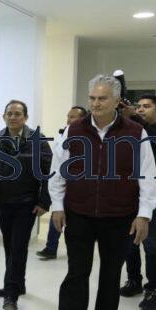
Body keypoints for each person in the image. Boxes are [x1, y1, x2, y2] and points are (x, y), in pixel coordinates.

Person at [46, 74, 156, 310]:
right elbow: (58, 171)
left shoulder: (136, 133)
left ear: (117, 101)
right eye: (92, 98)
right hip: (79, 213)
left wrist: (144, 214)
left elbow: (147, 175)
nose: (95, 104)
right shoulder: (73, 130)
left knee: (111, 272)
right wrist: (57, 205)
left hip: (118, 216)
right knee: (77, 272)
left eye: (102, 98)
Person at [0, 100, 51, 310]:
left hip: (27, 203)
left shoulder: (37, 140)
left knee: (18, 247)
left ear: (25, 117)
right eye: (9, 113)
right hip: (4, 201)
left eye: (17, 114)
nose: (13, 117)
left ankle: (11, 294)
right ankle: (18, 284)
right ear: (4, 116)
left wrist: (44, 201)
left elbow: (48, 173)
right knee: (9, 246)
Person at [119, 95, 156, 310]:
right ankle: (134, 280)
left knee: (151, 243)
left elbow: (153, 143)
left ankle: (153, 289)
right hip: (130, 194)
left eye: (147, 106)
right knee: (130, 242)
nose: (141, 109)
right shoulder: (131, 130)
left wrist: (134, 118)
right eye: (139, 107)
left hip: (155, 196)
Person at [36, 106, 88, 260]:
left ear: (82, 119)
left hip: (78, 184)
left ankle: (75, 250)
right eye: (68, 116)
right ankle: (51, 248)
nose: (69, 119)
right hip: (61, 182)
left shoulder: (87, 136)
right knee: (57, 214)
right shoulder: (63, 133)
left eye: (73, 117)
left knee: (75, 221)